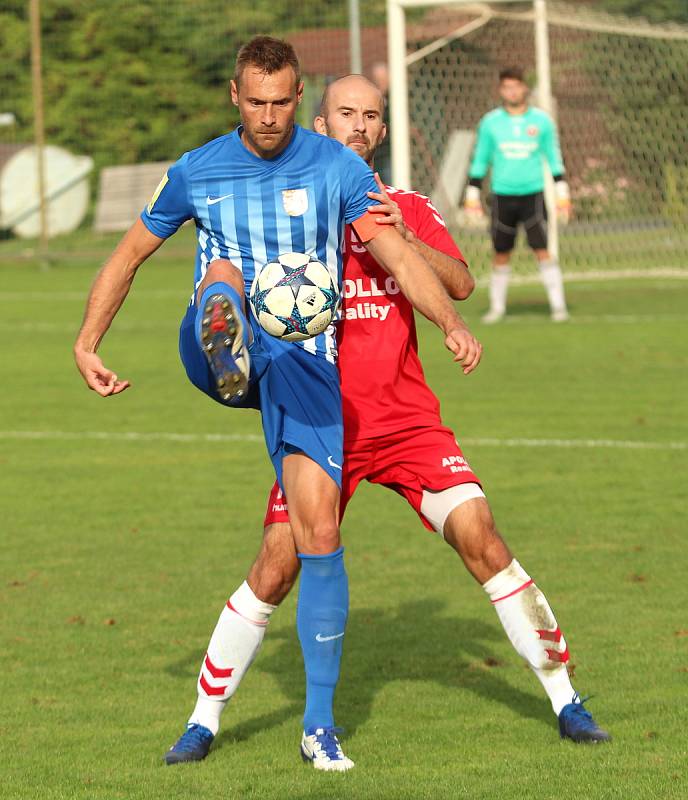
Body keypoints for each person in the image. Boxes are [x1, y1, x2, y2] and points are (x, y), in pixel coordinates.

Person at [164, 74, 609, 772]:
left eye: (372, 116)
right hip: (320, 420)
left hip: (405, 423)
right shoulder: (289, 211)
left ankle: (567, 701)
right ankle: (202, 721)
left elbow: (459, 281)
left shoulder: (400, 204)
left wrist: (402, 236)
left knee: (482, 536)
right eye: (346, 113)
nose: (360, 125)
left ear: (380, 128)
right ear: (321, 118)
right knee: (275, 570)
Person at [73, 39, 481, 769]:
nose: (267, 116)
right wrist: (87, 342)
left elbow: (394, 254)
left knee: (315, 536)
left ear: (300, 99)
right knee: (224, 269)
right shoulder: (197, 171)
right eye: (255, 102)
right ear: (235, 95)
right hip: (219, 353)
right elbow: (128, 255)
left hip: (306, 370)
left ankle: (313, 729)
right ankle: (227, 334)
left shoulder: (338, 168)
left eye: (281, 102)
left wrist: (449, 322)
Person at [464, 66, 571, 323]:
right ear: (501, 90)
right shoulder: (491, 123)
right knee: (501, 252)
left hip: (533, 196)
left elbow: (553, 157)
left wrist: (562, 193)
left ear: (524, 88)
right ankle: (497, 308)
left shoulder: (541, 121)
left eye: (516, 86)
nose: (512, 91)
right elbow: (480, 159)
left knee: (542, 249)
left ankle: (558, 306)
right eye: (506, 87)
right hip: (502, 197)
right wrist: (471, 194)